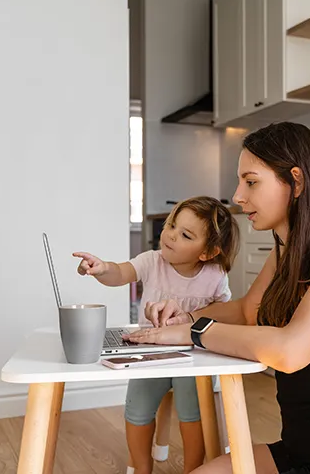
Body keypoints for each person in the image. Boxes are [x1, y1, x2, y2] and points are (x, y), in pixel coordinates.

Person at [125, 122, 310, 474]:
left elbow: (291, 351)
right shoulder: (286, 249)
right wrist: (184, 316)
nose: (238, 196)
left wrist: (195, 331)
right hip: (300, 450)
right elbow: (248, 312)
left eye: (251, 181)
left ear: (297, 180)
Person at [74, 196, 239, 474]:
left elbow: (223, 310)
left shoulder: (215, 274)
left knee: (193, 413)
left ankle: (192, 468)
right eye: (171, 225)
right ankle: (141, 466)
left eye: (185, 235)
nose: (171, 236)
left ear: (208, 252)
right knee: (137, 410)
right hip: (150, 353)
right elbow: (121, 272)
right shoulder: (152, 261)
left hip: (195, 356)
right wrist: (102, 269)